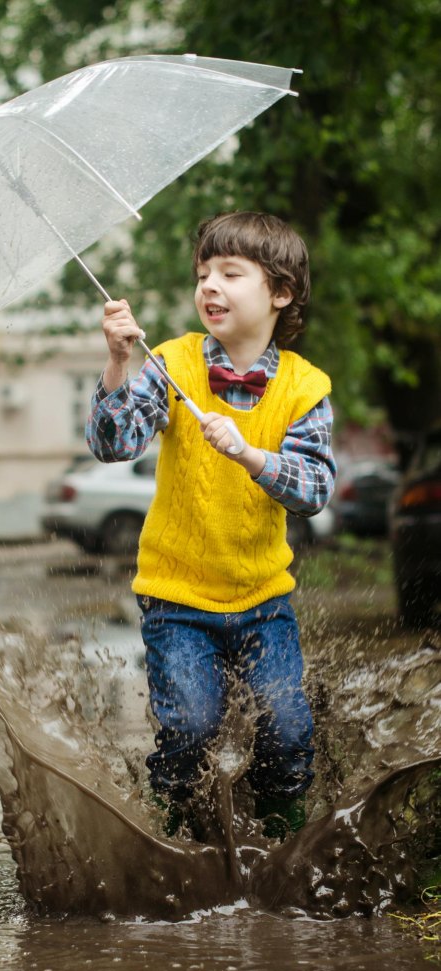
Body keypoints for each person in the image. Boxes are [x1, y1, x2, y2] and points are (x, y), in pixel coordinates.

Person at [85, 211, 336, 840]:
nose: (209, 287)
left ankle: (284, 841)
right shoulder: (171, 363)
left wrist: (249, 454)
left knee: (287, 726)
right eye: (203, 275)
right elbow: (113, 444)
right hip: (176, 596)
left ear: (280, 293)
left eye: (230, 273)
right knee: (190, 727)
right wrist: (118, 363)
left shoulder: (305, 388)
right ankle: (174, 836)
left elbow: (315, 491)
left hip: (262, 596)